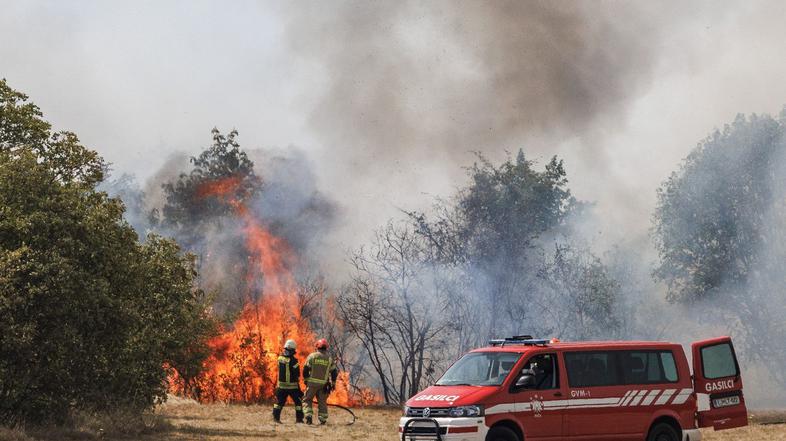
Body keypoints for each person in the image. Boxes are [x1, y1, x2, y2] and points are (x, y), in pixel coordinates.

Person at [302, 338, 338, 425]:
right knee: (322, 402)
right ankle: (323, 419)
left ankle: (308, 416)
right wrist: (333, 383)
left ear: (317, 347)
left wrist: (306, 380)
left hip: (312, 384)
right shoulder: (329, 359)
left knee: (307, 399)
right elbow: (334, 372)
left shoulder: (312, 356)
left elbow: (305, 369)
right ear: (326, 348)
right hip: (323, 385)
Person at [273, 339, 303, 424]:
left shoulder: (279, 358)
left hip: (281, 386)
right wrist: (299, 390)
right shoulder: (294, 361)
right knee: (298, 403)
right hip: (292, 387)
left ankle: (276, 418)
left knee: (279, 403)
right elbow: (297, 374)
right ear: (293, 350)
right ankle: (299, 419)